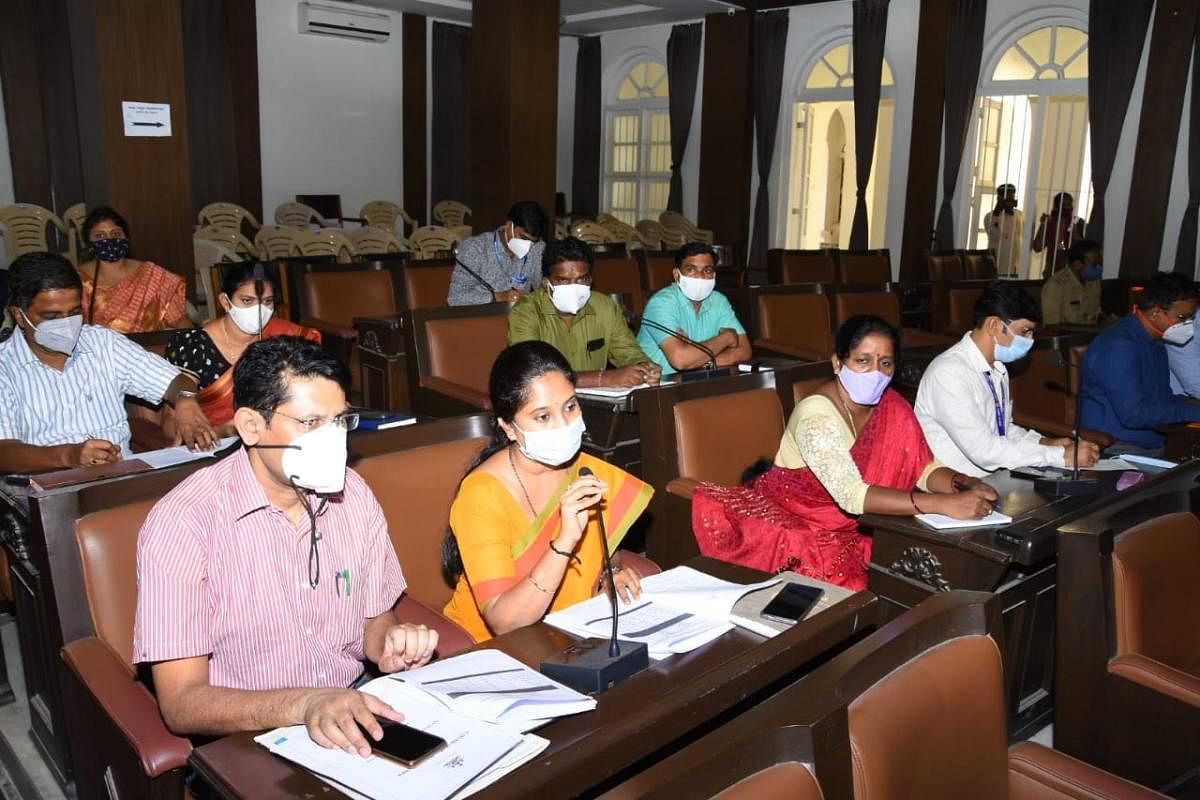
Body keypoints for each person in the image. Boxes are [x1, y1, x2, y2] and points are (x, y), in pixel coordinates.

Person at [133, 336, 438, 756]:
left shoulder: (355, 495)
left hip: (352, 702)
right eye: (311, 423)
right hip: (245, 737)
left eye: (340, 421)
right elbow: (182, 702)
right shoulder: (183, 523)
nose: (333, 439)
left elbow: (375, 622)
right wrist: (306, 704)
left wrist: (391, 647)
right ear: (251, 426)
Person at [691, 316, 999, 591]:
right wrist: (944, 505)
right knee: (871, 589)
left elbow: (924, 468)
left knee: (928, 577)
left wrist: (963, 482)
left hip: (864, 526)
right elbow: (852, 496)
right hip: (801, 529)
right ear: (838, 363)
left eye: (886, 363)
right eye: (863, 361)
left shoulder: (891, 406)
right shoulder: (816, 415)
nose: (875, 372)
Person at [442, 341, 654, 641]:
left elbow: (607, 547)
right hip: (492, 650)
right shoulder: (481, 495)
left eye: (570, 406)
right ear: (509, 427)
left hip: (574, 633)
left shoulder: (585, 470)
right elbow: (505, 622)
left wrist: (611, 572)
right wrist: (564, 540)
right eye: (543, 416)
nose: (564, 424)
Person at [0, 252, 216, 474]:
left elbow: (172, 381)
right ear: (19, 315)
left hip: (121, 478)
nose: (66, 323)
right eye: (52, 317)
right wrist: (69, 455)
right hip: (43, 491)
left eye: (74, 312)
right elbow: (4, 452)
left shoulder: (104, 344)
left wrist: (185, 400)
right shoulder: (4, 367)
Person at [915, 281, 1099, 477]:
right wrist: (1062, 456)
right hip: (953, 490)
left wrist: (1043, 442)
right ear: (994, 325)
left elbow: (1002, 430)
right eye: (1024, 331)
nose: (1030, 340)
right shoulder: (949, 373)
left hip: (991, 480)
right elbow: (984, 450)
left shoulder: (998, 367)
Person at [165, 262, 321, 436]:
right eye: (247, 301)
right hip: (214, 445)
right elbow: (171, 424)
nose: (259, 310)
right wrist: (221, 432)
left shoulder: (286, 338)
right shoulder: (192, 344)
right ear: (225, 302)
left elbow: (315, 397)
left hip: (280, 438)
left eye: (267, 302)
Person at [508, 237, 661, 389]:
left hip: (598, 404)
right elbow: (531, 373)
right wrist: (603, 378)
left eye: (581, 280)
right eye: (563, 281)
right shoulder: (526, 312)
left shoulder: (605, 307)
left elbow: (629, 353)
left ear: (590, 281)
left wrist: (645, 368)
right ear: (546, 283)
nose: (574, 287)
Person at [1079, 271, 1200, 456]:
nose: (1189, 325)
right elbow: (1135, 415)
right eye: (1183, 318)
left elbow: (1161, 400)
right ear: (1156, 313)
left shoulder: (1156, 341)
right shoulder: (1120, 346)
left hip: (1152, 441)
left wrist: (1191, 406)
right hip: (1116, 446)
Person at [636, 242, 751, 376]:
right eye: (691, 270)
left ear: (714, 276)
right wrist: (725, 338)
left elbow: (745, 350)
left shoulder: (718, 301)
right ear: (677, 275)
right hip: (656, 385)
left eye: (707, 271)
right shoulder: (661, 303)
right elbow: (681, 360)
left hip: (695, 381)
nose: (700, 277)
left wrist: (700, 361)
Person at [78, 206, 190, 332]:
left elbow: (179, 321)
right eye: (100, 236)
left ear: (126, 238)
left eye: (115, 234)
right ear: (89, 244)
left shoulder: (152, 276)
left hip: (146, 349)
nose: (109, 240)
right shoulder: (77, 279)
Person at [447, 201, 547, 306]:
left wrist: (546, 286)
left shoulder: (537, 248)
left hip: (520, 317)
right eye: (524, 238)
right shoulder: (475, 248)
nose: (528, 246)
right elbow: (455, 298)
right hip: (482, 317)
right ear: (509, 226)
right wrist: (496, 297)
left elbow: (540, 287)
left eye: (533, 241)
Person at [1041, 239, 1104, 326]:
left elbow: (1096, 313)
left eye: (1100, 264)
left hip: (1092, 334)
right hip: (1067, 337)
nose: (1098, 268)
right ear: (1077, 264)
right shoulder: (1055, 285)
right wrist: (1087, 329)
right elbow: (1052, 326)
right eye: (1094, 265)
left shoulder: (1094, 281)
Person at [1031, 192, 1085, 278]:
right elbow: (1037, 247)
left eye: (1069, 204)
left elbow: (1084, 248)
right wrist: (1043, 225)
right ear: (1056, 207)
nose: (1067, 207)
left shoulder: (1076, 221)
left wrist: (1073, 232)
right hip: (1052, 273)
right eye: (1063, 205)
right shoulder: (1050, 222)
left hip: (1073, 274)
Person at [985, 184, 1025, 277]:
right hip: (998, 266)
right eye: (1007, 198)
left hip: (1017, 267)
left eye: (1012, 198)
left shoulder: (1020, 215)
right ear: (999, 198)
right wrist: (997, 211)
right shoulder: (990, 217)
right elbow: (994, 236)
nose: (1010, 201)